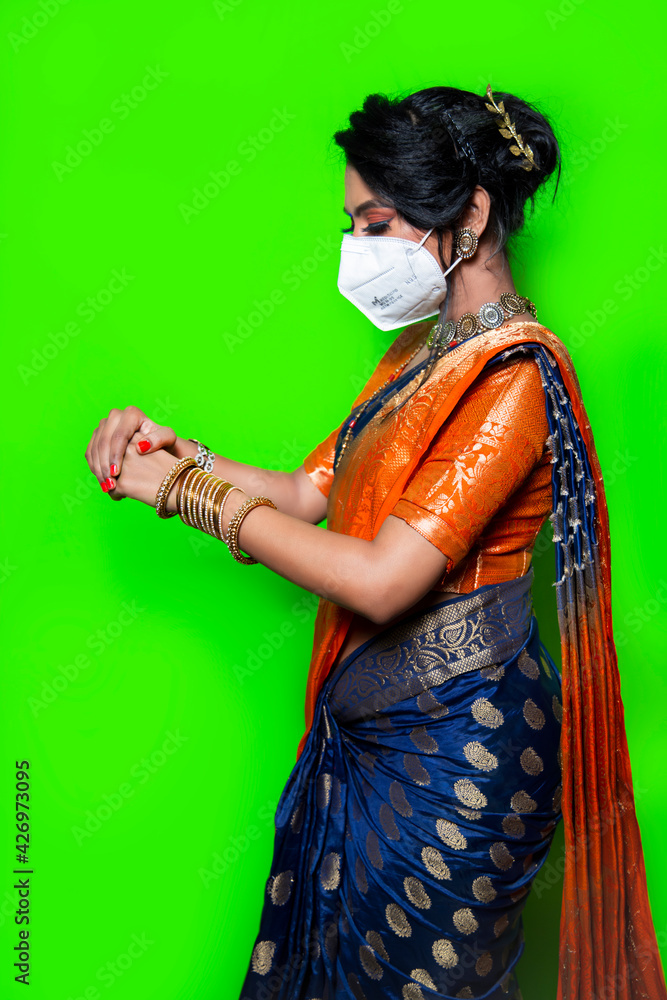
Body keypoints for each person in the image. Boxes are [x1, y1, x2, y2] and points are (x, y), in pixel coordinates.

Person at [85, 85, 666, 1000]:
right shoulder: (418, 354)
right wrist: (175, 453)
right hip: (367, 738)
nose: (358, 249)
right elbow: (307, 494)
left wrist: (187, 495)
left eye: (377, 223)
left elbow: (383, 581)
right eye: (354, 225)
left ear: (470, 215)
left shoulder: (513, 375)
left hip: (458, 762)